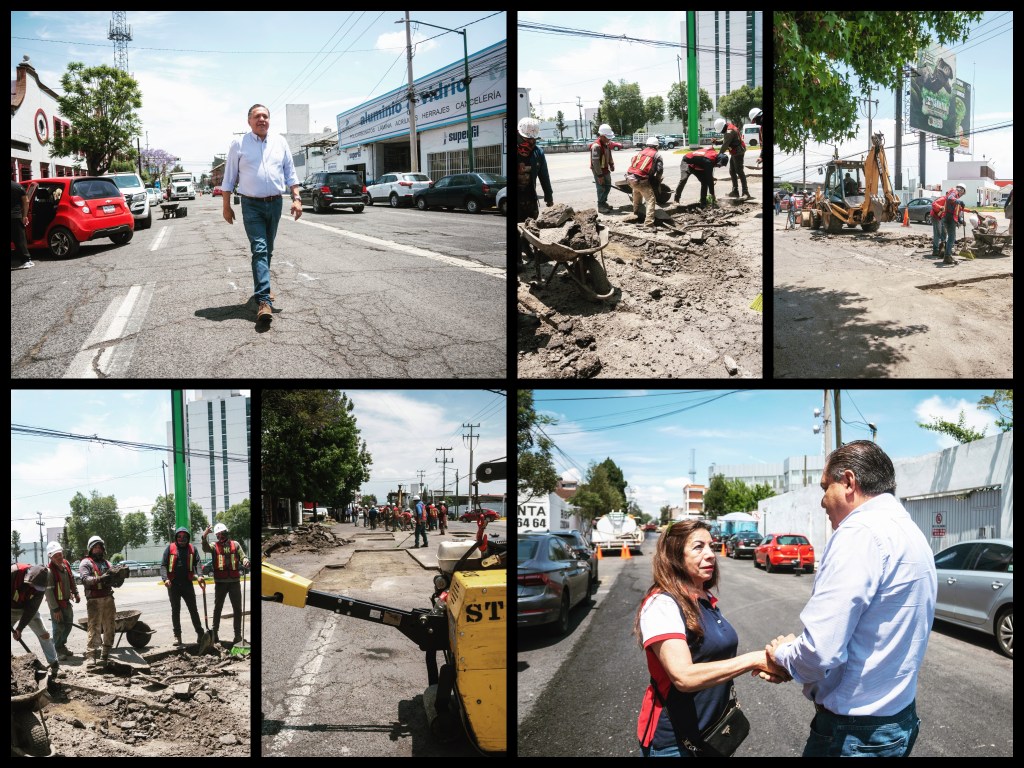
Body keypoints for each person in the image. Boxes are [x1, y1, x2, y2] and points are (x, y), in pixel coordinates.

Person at [766, 440, 937, 758]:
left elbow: (819, 652)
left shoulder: (859, 533)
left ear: (848, 481)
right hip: (897, 719)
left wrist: (783, 654)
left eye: (824, 487)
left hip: (854, 734)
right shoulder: (910, 532)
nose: (821, 501)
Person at [634, 520, 788, 757]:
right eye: (698, 547)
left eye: (711, 546)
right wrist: (754, 660)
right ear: (675, 555)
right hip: (675, 743)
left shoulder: (703, 597)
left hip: (712, 733)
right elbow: (683, 677)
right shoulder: (662, 604)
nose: (710, 555)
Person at [221, 104, 302, 325]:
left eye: (265, 116)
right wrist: (226, 206)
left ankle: (262, 288)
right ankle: (264, 301)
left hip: (275, 204)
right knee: (260, 249)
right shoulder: (239, 143)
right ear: (249, 121)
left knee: (268, 250)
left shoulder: (280, 141)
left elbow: (290, 173)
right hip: (251, 205)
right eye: (257, 116)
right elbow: (229, 178)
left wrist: (296, 198)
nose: (262, 120)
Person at [200, 523, 251, 646]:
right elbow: (205, 548)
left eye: (222, 533)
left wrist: (245, 561)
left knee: (237, 609)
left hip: (234, 582)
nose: (221, 536)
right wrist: (204, 535)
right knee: (218, 608)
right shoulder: (214, 546)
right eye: (218, 535)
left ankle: (237, 636)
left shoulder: (236, 544)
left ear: (226, 533)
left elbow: (243, 556)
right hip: (220, 583)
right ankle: (215, 634)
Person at [160, 526, 207, 647]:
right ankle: (177, 636)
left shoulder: (192, 549)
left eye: (184, 536)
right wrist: (165, 579)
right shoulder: (170, 548)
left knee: (193, 610)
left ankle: (200, 634)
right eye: (179, 536)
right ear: (176, 537)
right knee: (175, 611)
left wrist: (200, 575)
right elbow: (164, 565)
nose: (182, 539)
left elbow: (197, 563)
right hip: (173, 584)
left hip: (187, 584)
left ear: (187, 537)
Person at [79, 535, 120, 669]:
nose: (97, 550)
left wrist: (118, 579)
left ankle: (105, 653)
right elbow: (85, 579)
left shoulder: (107, 564)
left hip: (108, 598)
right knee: (94, 628)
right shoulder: (86, 563)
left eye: (99, 547)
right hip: (94, 601)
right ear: (90, 549)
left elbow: (114, 580)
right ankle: (91, 656)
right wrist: (100, 578)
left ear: (103, 549)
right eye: (95, 547)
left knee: (110, 626)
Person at [11, 562, 59, 674]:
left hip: (26, 608)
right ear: (29, 577)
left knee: (44, 634)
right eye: (33, 585)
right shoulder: (14, 573)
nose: (34, 588)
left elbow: (32, 609)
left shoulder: (41, 587)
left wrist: (19, 628)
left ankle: (54, 663)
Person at [45, 541, 81, 661]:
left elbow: (71, 579)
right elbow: (49, 592)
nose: (59, 557)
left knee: (68, 624)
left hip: (66, 602)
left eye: (60, 554)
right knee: (58, 627)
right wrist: (55, 609)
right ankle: (57, 649)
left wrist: (75, 592)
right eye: (56, 556)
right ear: (50, 557)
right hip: (56, 605)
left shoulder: (65, 564)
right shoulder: (49, 571)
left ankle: (61, 645)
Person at [625, 137, 665, 227]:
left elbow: (633, 161)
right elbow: (660, 170)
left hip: (630, 177)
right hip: (640, 179)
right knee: (651, 199)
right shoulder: (657, 155)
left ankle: (636, 213)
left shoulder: (640, 152)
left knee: (637, 192)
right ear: (656, 146)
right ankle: (649, 223)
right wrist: (657, 181)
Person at [716, 117, 750, 199]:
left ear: (723, 127)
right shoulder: (729, 127)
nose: (721, 132)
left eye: (720, 130)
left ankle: (745, 192)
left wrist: (718, 156)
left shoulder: (729, 132)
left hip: (738, 152)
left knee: (739, 171)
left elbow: (725, 145)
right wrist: (717, 142)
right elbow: (726, 139)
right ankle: (735, 191)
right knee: (732, 171)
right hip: (735, 152)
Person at [590, 124, 616, 214]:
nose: (609, 139)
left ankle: (604, 202)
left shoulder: (606, 144)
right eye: (607, 137)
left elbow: (609, 155)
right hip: (598, 171)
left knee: (608, 186)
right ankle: (600, 205)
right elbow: (595, 162)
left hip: (605, 169)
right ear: (602, 136)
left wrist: (611, 164)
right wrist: (599, 175)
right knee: (601, 188)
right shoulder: (596, 146)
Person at [11, 179, 34, 269]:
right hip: (16, 216)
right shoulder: (18, 186)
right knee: (20, 240)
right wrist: (24, 216)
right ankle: (26, 260)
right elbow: (26, 201)